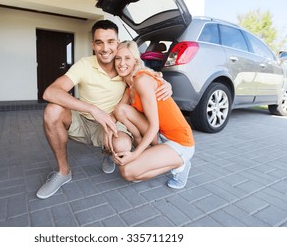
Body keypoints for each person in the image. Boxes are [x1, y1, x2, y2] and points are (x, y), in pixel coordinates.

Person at [37, 20, 172, 199]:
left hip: (114, 124)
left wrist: (166, 83)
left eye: (110, 42)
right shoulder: (85, 64)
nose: (105, 48)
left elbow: (148, 76)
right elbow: (50, 92)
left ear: (118, 43)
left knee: (122, 145)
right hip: (84, 121)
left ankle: (109, 153)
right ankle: (63, 172)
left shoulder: (125, 66)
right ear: (93, 45)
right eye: (99, 42)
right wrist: (93, 109)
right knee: (52, 110)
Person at [112, 40, 195, 189]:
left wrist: (135, 154)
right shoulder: (130, 87)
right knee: (120, 109)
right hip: (160, 136)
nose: (121, 63)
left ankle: (180, 164)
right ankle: (150, 153)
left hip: (180, 142)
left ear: (136, 60)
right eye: (118, 58)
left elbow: (154, 125)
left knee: (127, 172)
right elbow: (119, 112)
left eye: (127, 58)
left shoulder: (142, 80)